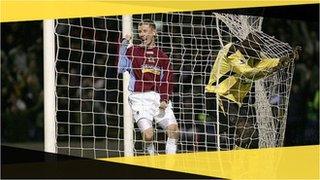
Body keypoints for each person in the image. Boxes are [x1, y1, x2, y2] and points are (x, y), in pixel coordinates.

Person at [118, 19, 179, 155]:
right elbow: (121, 67)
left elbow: (167, 80)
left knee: (173, 130)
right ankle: (150, 154)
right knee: (148, 135)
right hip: (139, 98)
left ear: (154, 32)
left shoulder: (162, 56)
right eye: (139, 31)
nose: (141, 34)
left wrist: (164, 98)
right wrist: (124, 44)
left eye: (145, 31)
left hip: (158, 97)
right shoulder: (133, 51)